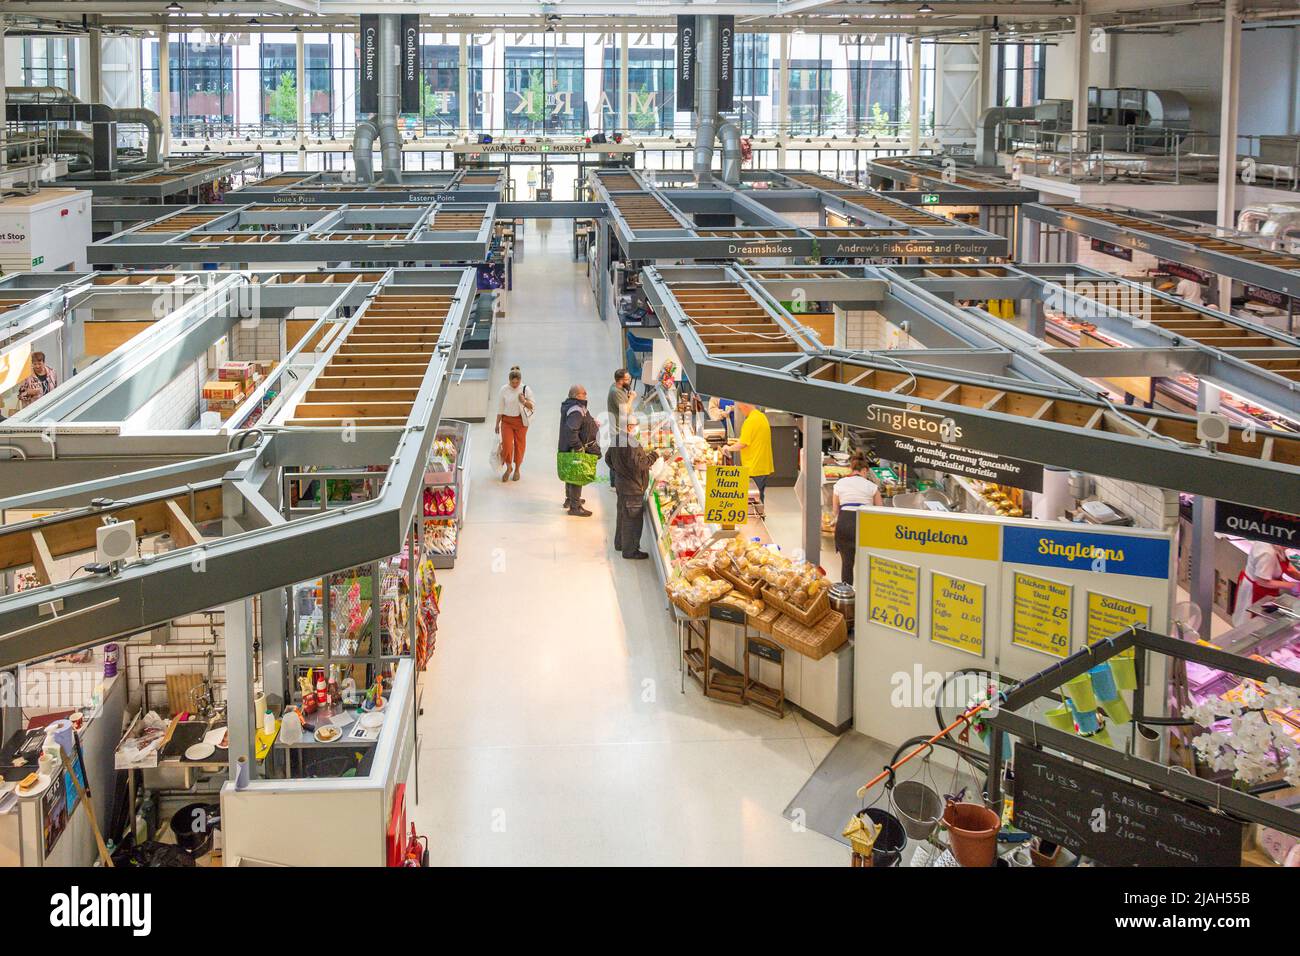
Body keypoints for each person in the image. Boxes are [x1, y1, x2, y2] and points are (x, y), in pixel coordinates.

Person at [605, 415, 659, 560]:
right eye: (635, 425)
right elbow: (641, 465)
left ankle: (620, 543)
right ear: (629, 427)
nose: (636, 428)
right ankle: (630, 551)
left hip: (622, 485)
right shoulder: (631, 443)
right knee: (633, 521)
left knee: (622, 515)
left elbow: (608, 458)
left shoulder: (616, 439)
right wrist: (655, 455)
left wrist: (620, 472)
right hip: (633, 488)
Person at [832, 452, 883, 586]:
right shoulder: (872, 487)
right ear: (865, 470)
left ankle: (847, 597)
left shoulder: (840, 483)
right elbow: (880, 510)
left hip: (845, 524)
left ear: (851, 469)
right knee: (866, 565)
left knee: (847, 564)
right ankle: (865, 597)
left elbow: (835, 511)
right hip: (864, 524)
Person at [1231, 541, 1300, 625]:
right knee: (1250, 623)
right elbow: (1262, 581)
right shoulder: (1267, 553)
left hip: (1266, 587)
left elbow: (1287, 568)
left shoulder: (1276, 544)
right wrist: (1293, 585)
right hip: (1255, 590)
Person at [559, 384, 600, 517]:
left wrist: (591, 423)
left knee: (571, 472)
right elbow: (572, 429)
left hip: (568, 447)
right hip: (574, 448)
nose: (586, 394)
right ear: (577, 396)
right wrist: (578, 447)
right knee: (577, 474)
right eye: (583, 393)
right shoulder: (576, 409)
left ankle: (570, 499)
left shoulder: (571, 406)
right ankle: (575, 507)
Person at [724, 402, 774, 504]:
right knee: (760, 495)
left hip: (754, 466)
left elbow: (743, 444)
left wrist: (728, 448)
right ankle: (761, 515)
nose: (742, 412)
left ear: (745, 406)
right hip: (763, 465)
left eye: (741, 409)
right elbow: (753, 439)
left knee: (755, 500)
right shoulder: (761, 417)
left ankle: (758, 518)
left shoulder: (750, 421)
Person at [494, 366, 534, 482]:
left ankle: (517, 469)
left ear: (520, 380)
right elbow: (500, 408)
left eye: (517, 382)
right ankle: (509, 467)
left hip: (521, 422)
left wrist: (524, 401)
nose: (515, 384)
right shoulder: (504, 390)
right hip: (506, 421)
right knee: (507, 445)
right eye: (513, 382)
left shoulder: (525, 389)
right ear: (509, 380)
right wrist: (497, 424)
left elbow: (533, 406)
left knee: (519, 446)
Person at [606, 368, 635, 487]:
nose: (629, 381)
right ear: (620, 380)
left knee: (618, 457)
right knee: (617, 458)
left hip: (622, 427)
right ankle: (614, 484)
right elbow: (625, 410)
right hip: (618, 430)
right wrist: (632, 397)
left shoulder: (620, 388)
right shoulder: (615, 392)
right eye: (627, 379)